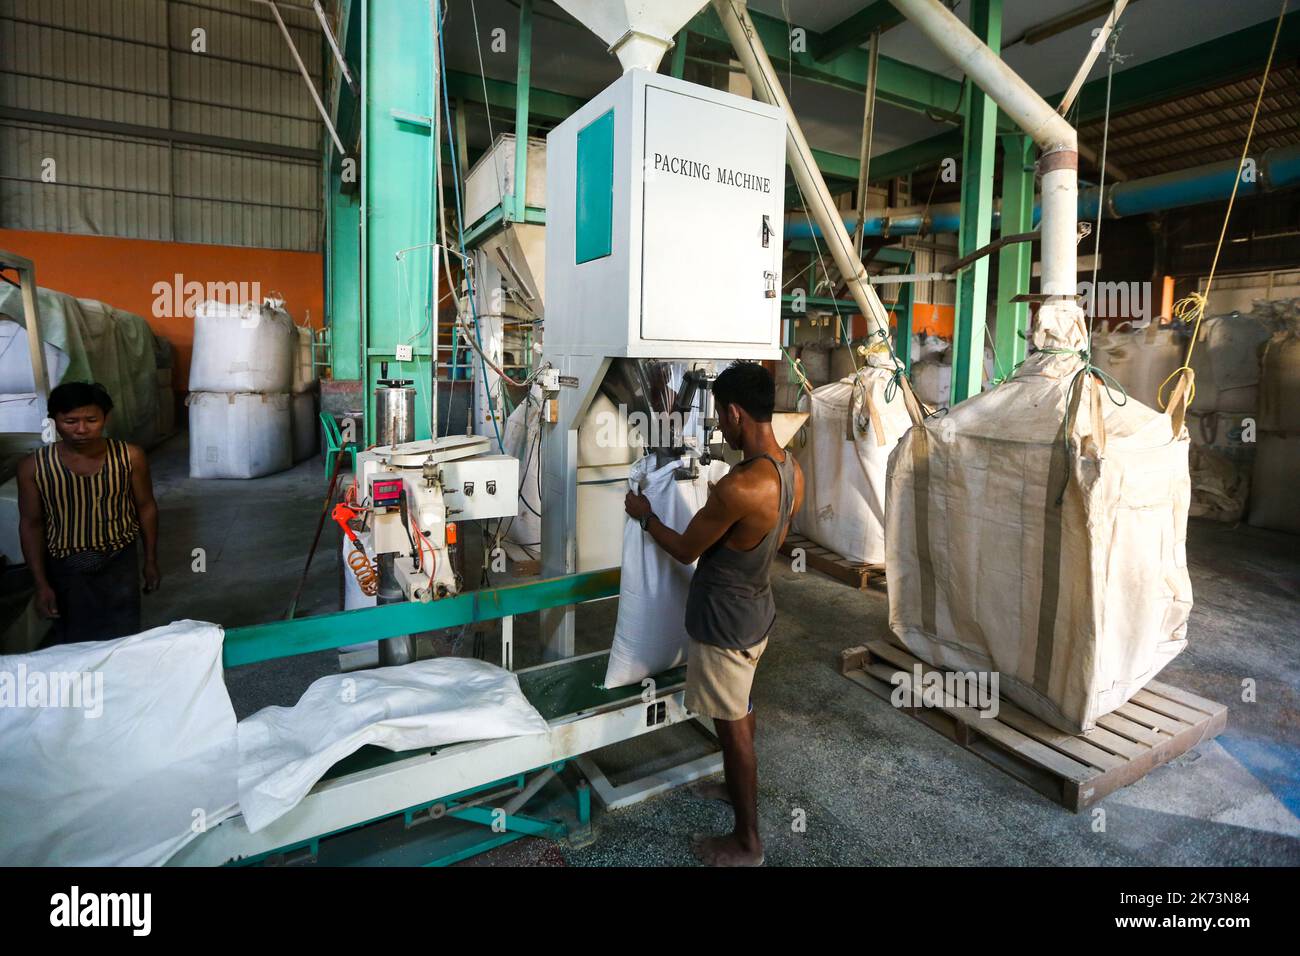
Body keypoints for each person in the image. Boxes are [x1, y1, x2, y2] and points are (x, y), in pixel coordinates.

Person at [623, 361, 803, 867]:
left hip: (726, 626)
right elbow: (767, 541)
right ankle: (732, 787)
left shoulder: (739, 488)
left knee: (733, 726)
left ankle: (748, 842)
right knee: (741, 709)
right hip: (757, 611)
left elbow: (684, 550)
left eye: (721, 417)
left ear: (734, 412)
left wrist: (646, 515)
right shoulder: (790, 470)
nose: (719, 427)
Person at [17, 381, 160, 645]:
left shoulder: (130, 457)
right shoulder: (33, 467)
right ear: (54, 420)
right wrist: (40, 584)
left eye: (91, 420)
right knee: (74, 640)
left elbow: (146, 507)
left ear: (105, 418)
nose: (81, 429)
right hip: (64, 566)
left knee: (124, 638)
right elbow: (31, 524)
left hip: (119, 560)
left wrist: (150, 560)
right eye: (70, 421)